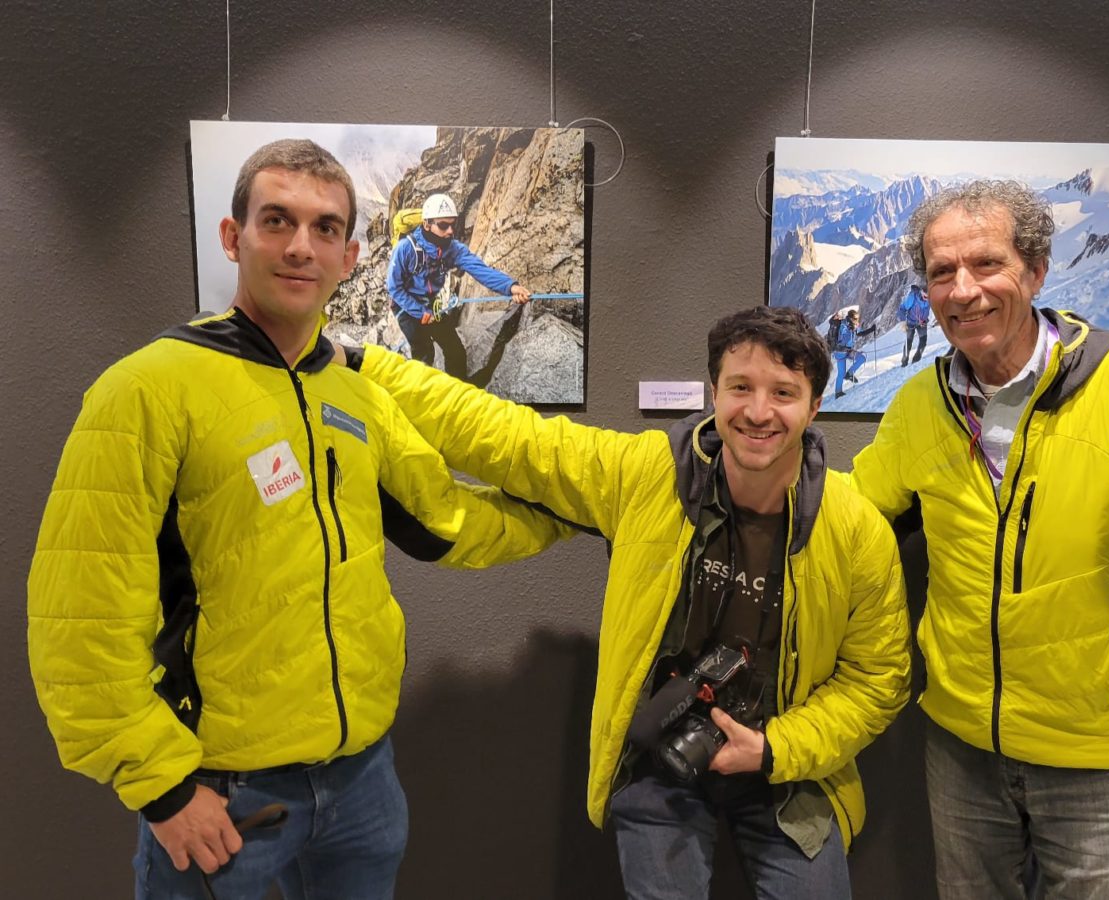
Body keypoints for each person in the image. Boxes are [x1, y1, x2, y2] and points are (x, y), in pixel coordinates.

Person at [27, 139, 569, 900]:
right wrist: (162, 789)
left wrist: (573, 513)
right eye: (276, 220)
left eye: (323, 229)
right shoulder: (145, 392)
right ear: (233, 235)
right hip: (223, 791)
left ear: (349, 255)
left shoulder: (357, 396)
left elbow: (446, 523)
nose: (298, 247)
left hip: (362, 782)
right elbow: (79, 616)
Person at [338, 306, 911, 898]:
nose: (758, 412)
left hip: (789, 768)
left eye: (784, 392)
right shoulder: (648, 475)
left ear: (814, 406)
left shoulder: (855, 531)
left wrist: (773, 750)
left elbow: (876, 682)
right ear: (714, 391)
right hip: (661, 752)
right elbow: (509, 438)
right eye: (740, 387)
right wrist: (366, 364)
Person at [849, 179, 1109, 899]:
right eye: (942, 272)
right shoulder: (921, 403)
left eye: (986, 264)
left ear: (1035, 272)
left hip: (1096, 754)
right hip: (961, 747)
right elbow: (854, 515)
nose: (962, 290)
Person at [385, 192, 532, 379]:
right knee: (424, 353)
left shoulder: (452, 249)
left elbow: (480, 270)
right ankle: (421, 396)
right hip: (405, 307)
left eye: (452, 225)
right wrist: (420, 313)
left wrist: (511, 287)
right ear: (427, 224)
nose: (450, 231)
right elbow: (394, 287)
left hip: (430, 304)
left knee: (455, 351)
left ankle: (459, 394)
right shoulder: (405, 249)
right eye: (443, 225)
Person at [831, 309, 875, 398]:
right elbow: (841, 338)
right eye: (855, 318)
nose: (857, 320)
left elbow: (860, 333)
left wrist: (871, 329)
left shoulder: (853, 326)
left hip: (847, 351)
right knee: (841, 373)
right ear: (850, 318)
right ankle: (838, 392)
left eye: (857, 318)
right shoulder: (843, 325)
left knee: (862, 358)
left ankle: (849, 374)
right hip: (840, 352)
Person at [898, 282, 930, 366]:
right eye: (925, 295)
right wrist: (903, 322)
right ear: (921, 292)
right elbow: (902, 308)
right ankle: (904, 362)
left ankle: (916, 361)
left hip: (922, 322)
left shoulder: (930, 299)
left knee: (923, 341)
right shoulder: (912, 297)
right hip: (910, 322)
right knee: (908, 342)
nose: (927, 298)